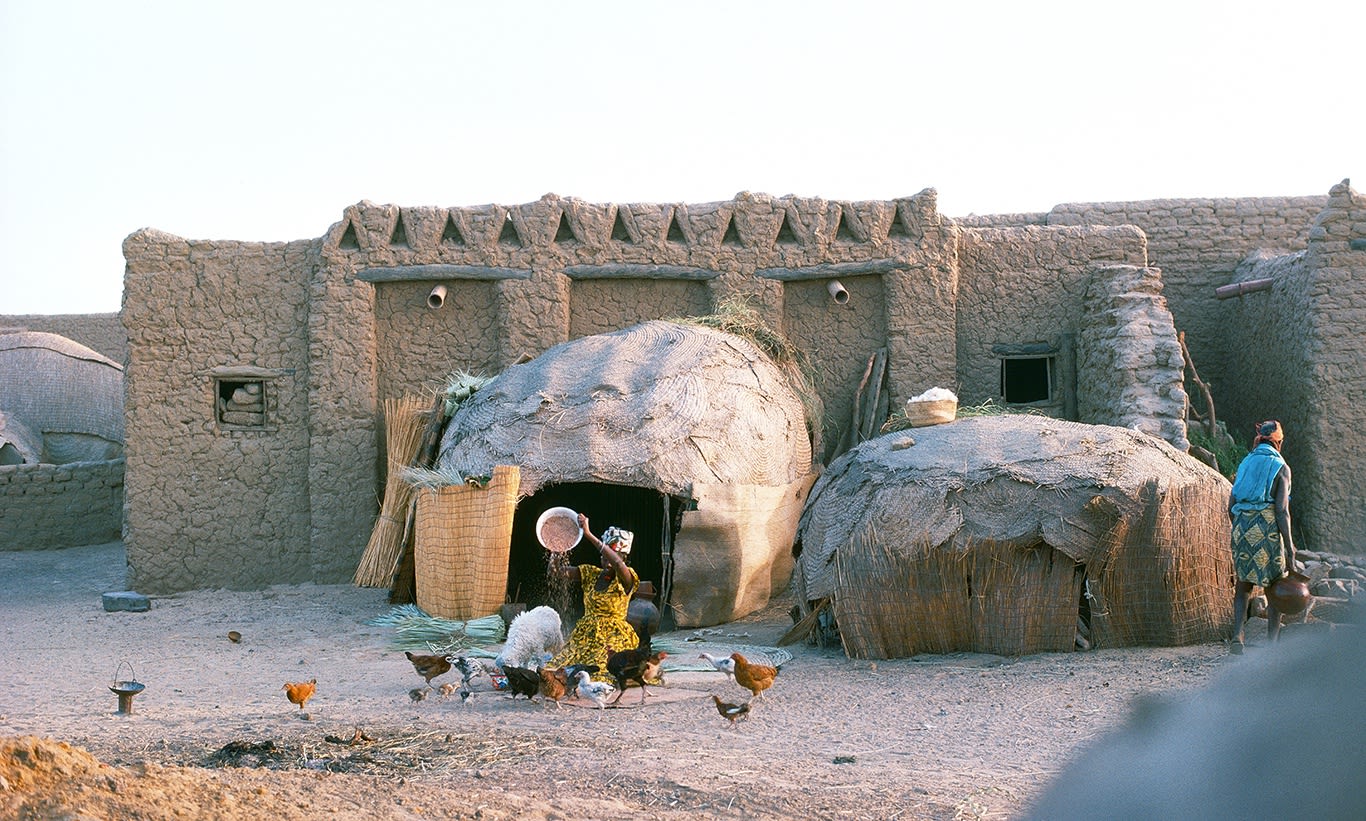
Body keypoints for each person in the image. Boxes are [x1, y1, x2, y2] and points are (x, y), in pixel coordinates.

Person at [1227, 420, 1296, 653]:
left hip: (1242, 526)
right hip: (1267, 528)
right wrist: (1290, 547)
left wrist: (1242, 527)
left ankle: (1238, 637)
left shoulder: (1246, 463)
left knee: (1243, 584)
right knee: (1275, 585)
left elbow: (1231, 503)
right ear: (1279, 442)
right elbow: (1281, 510)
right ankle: (1271, 646)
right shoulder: (1281, 467)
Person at [548, 513, 640, 679]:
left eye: (612, 557)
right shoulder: (590, 573)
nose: (607, 562)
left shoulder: (627, 578)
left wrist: (589, 535)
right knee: (556, 669)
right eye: (604, 558)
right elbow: (556, 573)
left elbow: (618, 565)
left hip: (614, 637)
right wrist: (555, 548)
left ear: (624, 558)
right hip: (584, 635)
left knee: (600, 671)